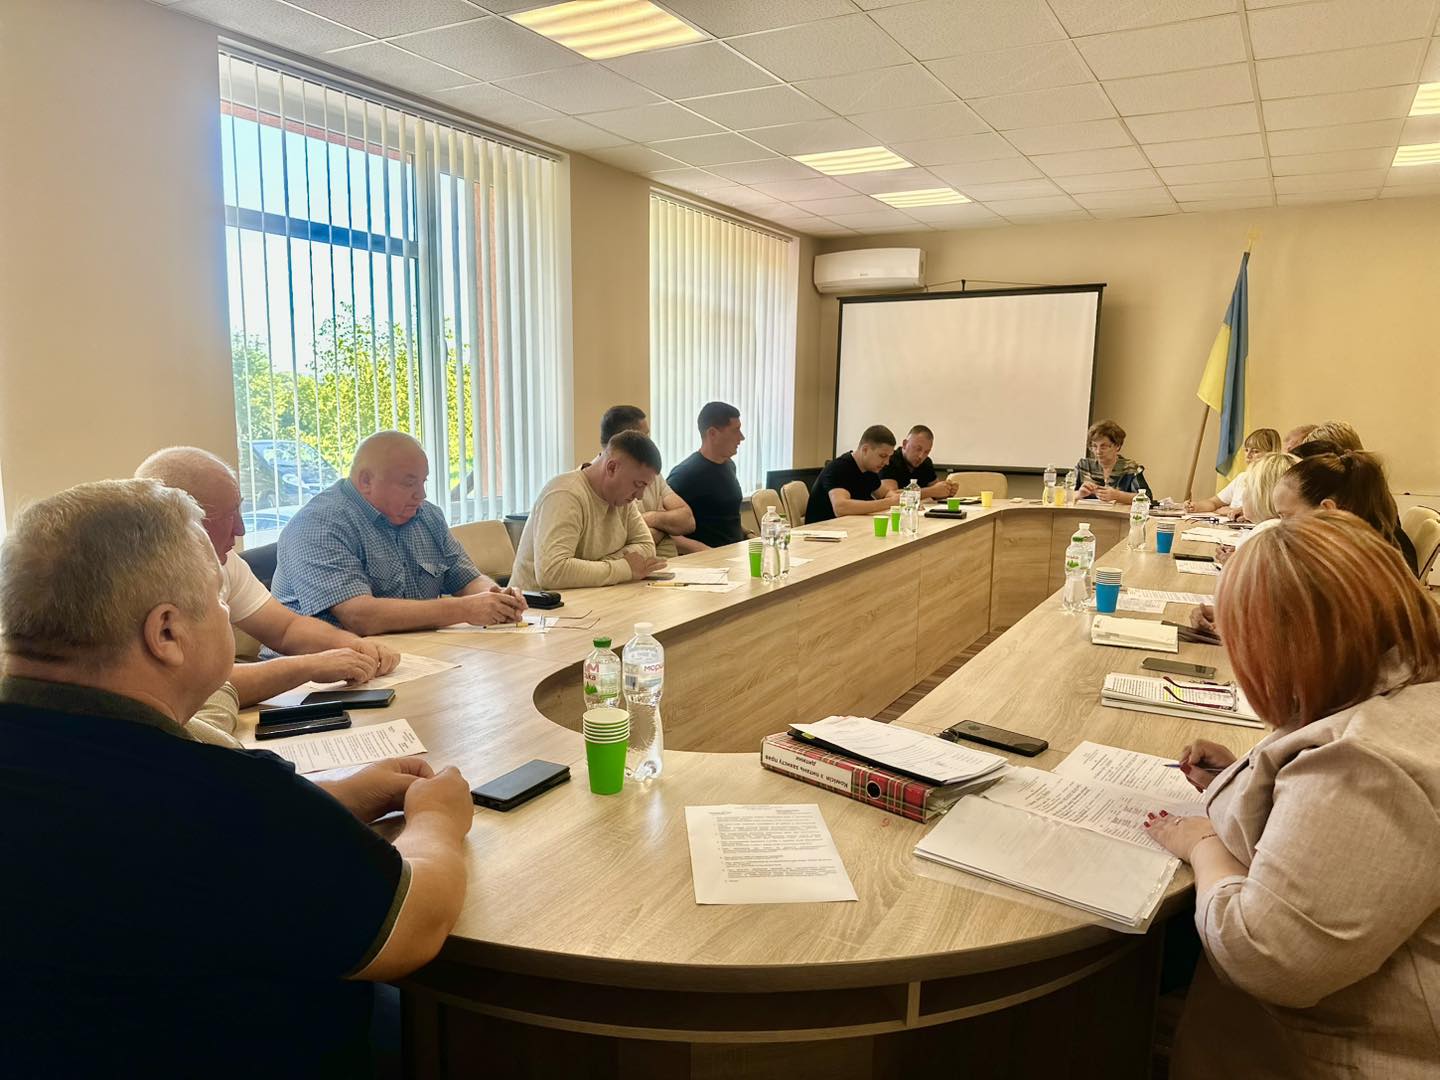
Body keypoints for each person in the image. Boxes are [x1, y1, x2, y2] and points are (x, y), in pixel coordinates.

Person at [0, 479, 475, 1076]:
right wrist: (436, 819)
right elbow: (415, 928)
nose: (227, 614)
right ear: (166, 632)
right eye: (219, 601)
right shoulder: (220, 796)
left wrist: (336, 799)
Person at [1146, 512, 1440, 1079]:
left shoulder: (1368, 761)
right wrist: (1249, 779)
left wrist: (1204, 844)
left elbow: (1264, 955)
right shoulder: (1402, 682)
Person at [136, 447, 400, 706]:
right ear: (180, 521)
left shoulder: (225, 562)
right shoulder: (134, 580)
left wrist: (352, 646)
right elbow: (190, 685)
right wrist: (308, 666)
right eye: (227, 516)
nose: (240, 529)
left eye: (238, 510)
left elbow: (286, 629)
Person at [273, 432, 525, 634]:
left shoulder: (427, 516)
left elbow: (467, 580)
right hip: (317, 671)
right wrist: (465, 609)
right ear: (366, 481)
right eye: (409, 483)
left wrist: (497, 598)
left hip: (408, 654)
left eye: (423, 482)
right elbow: (360, 617)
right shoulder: (318, 525)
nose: (421, 495)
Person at [510, 430, 666, 590]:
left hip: (587, 599)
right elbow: (552, 572)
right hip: (535, 603)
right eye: (638, 484)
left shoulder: (622, 500)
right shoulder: (565, 493)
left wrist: (598, 567)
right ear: (612, 468)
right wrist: (623, 568)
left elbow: (647, 547)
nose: (640, 496)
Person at [1273, 451, 1419, 575]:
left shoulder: (1342, 572)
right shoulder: (1377, 548)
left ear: (1327, 510)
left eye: (1286, 516)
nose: (1281, 525)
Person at [593, 405, 694, 559]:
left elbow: (687, 520)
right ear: (626, 438)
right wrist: (666, 525)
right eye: (645, 436)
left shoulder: (650, 474)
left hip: (670, 565)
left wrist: (652, 518)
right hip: (633, 568)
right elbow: (615, 545)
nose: (650, 442)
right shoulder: (601, 481)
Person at [667, 401, 747, 549]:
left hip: (735, 553)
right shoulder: (685, 475)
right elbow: (667, 532)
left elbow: (726, 517)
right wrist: (704, 551)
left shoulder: (729, 465)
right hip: (708, 558)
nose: (741, 437)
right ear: (712, 433)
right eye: (736, 431)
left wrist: (748, 534)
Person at [805, 425, 903, 525]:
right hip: (823, 530)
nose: (887, 462)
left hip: (849, 526)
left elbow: (885, 493)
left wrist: (896, 498)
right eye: (883, 456)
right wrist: (889, 503)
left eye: (889, 457)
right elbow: (840, 507)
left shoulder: (869, 469)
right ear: (865, 450)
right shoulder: (838, 468)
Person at [1186, 428, 1281, 517]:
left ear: (1272, 453)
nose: (1248, 455)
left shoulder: (1277, 481)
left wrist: (1235, 511)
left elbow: (1271, 511)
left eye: (1255, 451)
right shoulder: (1242, 478)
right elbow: (1214, 503)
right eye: (1246, 450)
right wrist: (1196, 506)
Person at [1074, 419, 1148, 505]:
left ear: (1117, 446)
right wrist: (1079, 494)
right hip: (1085, 513)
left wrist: (1118, 496)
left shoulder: (1130, 468)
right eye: (1094, 446)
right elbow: (1063, 494)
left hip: (1118, 513)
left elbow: (1147, 498)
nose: (1098, 451)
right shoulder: (1084, 466)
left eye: (1103, 446)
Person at [879, 424, 957, 501]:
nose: (921, 456)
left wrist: (948, 490)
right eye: (918, 449)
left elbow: (937, 492)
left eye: (926, 452)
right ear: (905, 444)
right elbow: (891, 496)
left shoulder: (926, 462)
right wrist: (931, 491)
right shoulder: (889, 459)